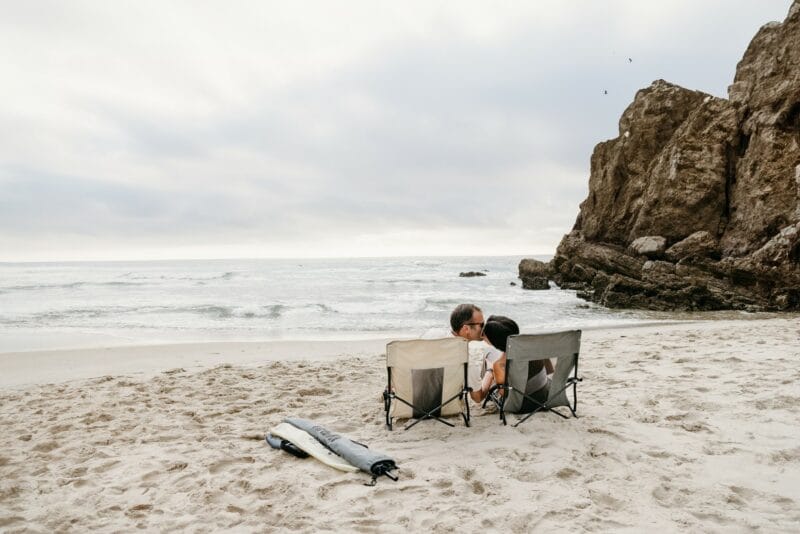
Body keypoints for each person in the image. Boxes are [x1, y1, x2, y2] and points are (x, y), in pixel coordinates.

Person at [469, 315, 553, 407]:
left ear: (495, 341)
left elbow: (504, 394)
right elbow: (549, 371)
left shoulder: (500, 364)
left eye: (484, 335)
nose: (482, 337)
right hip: (546, 397)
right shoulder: (534, 347)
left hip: (522, 405)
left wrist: (490, 371)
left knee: (489, 359)